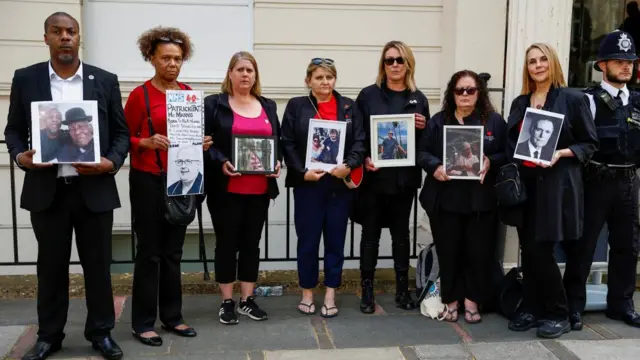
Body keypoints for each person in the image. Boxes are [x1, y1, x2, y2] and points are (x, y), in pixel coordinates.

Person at [3, 12, 130, 360]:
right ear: (45, 37)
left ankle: (101, 333)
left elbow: (122, 134)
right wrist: (20, 157)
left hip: (94, 190)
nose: (65, 37)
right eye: (57, 32)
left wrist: (111, 162)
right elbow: (13, 130)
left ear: (79, 37)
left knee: (98, 267)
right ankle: (49, 336)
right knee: (51, 269)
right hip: (48, 193)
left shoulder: (103, 80)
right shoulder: (26, 79)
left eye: (71, 31)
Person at [504, 43, 598, 339]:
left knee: (541, 248)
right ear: (527, 68)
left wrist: (561, 153)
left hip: (557, 184)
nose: (538, 65)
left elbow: (589, 144)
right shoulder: (521, 102)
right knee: (529, 249)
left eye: (543, 59)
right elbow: (511, 144)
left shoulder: (572, 98)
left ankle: (559, 311)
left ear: (553, 62)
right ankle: (532, 307)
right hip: (526, 185)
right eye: (532, 61)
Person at [124, 26, 210, 346]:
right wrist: (144, 142)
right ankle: (144, 322)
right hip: (147, 179)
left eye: (177, 58)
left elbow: (191, 135)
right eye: (165, 58)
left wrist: (201, 143)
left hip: (180, 179)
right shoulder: (140, 95)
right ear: (152, 58)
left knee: (173, 252)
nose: (172, 64)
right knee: (150, 253)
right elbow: (123, 138)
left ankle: (173, 317)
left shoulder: (187, 93)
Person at [563, 30, 640, 329]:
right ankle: (573, 306)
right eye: (619, 61)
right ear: (602, 65)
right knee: (583, 246)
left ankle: (621, 305)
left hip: (628, 182)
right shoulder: (588, 100)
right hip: (595, 180)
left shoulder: (636, 101)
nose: (626, 67)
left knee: (627, 246)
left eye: (630, 62)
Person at [417, 70, 506, 324]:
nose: (465, 95)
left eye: (470, 90)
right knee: (449, 252)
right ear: (452, 94)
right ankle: (451, 300)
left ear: (479, 93)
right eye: (460, 90)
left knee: (478, 253)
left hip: (481, 200)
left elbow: (506, 153)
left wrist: (490, 160)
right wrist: (435, 166)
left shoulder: (494, 122)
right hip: (445, 200)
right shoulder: (438, 121)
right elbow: (422, 152)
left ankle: (472, 301)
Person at [281, 57, 365, 318]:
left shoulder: (349, 107)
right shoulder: (297, 106)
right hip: (309, 186)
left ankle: (330, 292)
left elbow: (361, 142)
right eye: (319, 77)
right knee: (307, 241)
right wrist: (302, 172)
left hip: (338, 186)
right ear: (309, 80)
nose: (325, 82)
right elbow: (287, 142)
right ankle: (307, 292)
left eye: (329, 77)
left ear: (335, 79)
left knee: (335, 242)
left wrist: (349, 166)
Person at [204, 51, 281, 325]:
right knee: (226, 245)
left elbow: (276, 141)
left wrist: (277, 163)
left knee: (252, 244)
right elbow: (206, 144)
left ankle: (247, 300)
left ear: (255, 75)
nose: (245, 74)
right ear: (230, 74)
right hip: (226, 189)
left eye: (250, 70)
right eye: (240, 69)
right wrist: (222, 160)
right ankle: (227, 301)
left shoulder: (268, 106)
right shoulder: (215, 104)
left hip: (259, 188)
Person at [355, 40, 429, 313]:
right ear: (383, 65)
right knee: (370, 235)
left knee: (401, 237)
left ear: (408, 63)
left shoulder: (418, 98)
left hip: (404, 180)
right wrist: (364, 159)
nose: (395, 65)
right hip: (374, 179)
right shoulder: (368, 95)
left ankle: (402, 291)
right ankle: (367, 292)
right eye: (389, 60)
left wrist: (424, 126)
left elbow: (425, 143)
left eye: (399, 60)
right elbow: (359, 135)